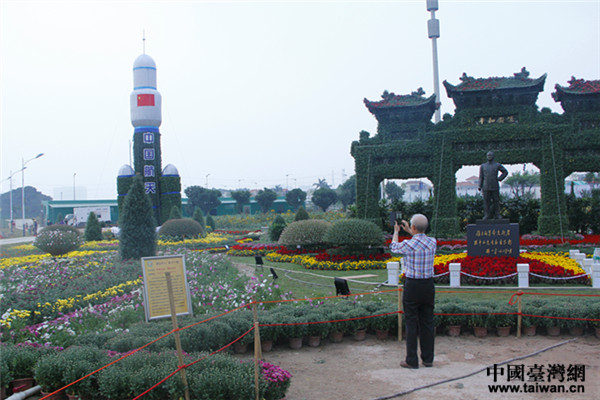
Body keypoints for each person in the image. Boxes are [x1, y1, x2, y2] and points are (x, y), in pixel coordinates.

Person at [390, 214, 437, 369]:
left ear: (414, 227)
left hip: (413, 286)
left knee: (411, 323)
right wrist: (411, 230)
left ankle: (412, 360)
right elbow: (420, 239)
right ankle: (428, 359)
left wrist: (397, 231)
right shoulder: (432, 242)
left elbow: (394, 248)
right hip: (428, 285)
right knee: (427, 322)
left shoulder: (408, 245)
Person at [478, 151, 508, 219]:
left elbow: (505, 172)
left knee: (496, 201)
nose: (489, 157)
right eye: (488, 155)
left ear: (493, 156)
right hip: (486, 186)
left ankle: (497, 214)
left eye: (490, 155)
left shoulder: (497, 165)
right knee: (486, 202)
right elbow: (481, 177)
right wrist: (480, 185)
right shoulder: (483, 166)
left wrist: (500, 178)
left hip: (495, 186)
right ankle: (487, 215)